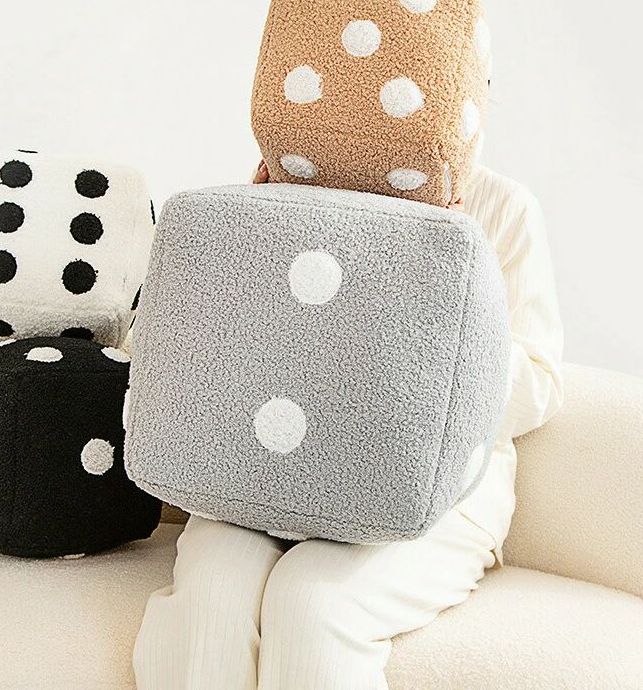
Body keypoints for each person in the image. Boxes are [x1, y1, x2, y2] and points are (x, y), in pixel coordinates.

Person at [133, 152, 563, 690]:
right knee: (210, 600)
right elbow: (218, 350)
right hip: (258, 476)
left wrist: (448, 282)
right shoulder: (287, 182)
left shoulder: (501, 206)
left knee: (313, 603)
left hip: (431, 492)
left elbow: (540, 390)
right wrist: (253, 236)